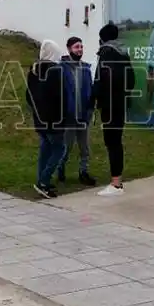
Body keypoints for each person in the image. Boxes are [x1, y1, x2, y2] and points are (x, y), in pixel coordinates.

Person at [94, 23, 135, 196]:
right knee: (116, 142)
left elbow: (100, 79)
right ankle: (117, 181)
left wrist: (94, 98)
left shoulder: (106, 53)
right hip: (120, 104)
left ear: (102, 39)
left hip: (109, 105)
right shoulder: (123, 54)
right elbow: (131, 80)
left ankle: (116, 184)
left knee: (111, 142)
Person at [27, 40, 66, 198]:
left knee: (45, 149)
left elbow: (29, 96)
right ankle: (43, 181)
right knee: (59, 149)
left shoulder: (33, 71)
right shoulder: (56, 72)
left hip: (39, 119)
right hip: (54, 119)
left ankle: (41, 180)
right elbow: (60, 97)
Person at [57, 37, 97, 186]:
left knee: (84, 147)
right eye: (76, 47)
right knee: (66, 147)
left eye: (81, 47)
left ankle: (83, 172)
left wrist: (90, 109)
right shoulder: (62, 68)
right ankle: (60, 168)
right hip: (69, 116)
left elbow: (90, 90)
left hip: (83, 115)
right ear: (69, 49)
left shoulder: (86, 68)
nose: (79, 50)